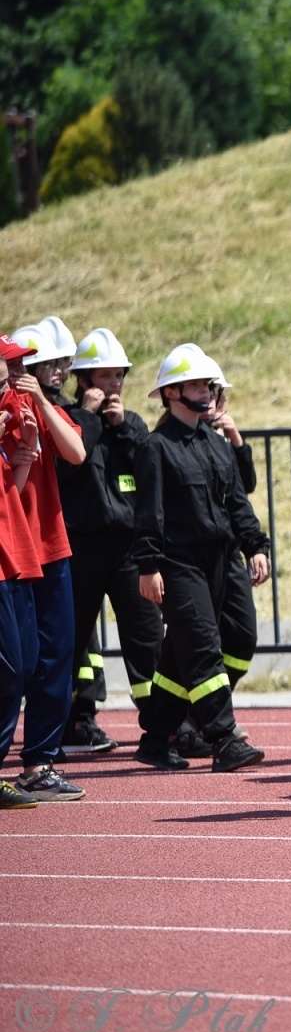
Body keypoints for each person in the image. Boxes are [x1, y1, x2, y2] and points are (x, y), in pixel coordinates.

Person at [131, 344, 270, 773]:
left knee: (234, 639)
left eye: (206, 384)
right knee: (202, 647)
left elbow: (236, 503)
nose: (205, 391)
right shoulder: (156, 447)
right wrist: (149, 565)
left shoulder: (215, 442)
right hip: (179, 562)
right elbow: (148, 513)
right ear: (171, 394)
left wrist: (256, 546)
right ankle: (222, 737)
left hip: (223, 557)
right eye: (194, 384)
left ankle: (157, 737)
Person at [58, 327, 164, 754]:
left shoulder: (132, 425)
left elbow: (150, 471)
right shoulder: (68, 420)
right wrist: (86, 418)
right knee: (73, 639)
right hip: (80, 547)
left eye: (119, 376)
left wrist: (122, 430)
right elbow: (66, 469)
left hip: (126, 549)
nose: (114, 385)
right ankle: (73, 723)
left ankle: (160, 726)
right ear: (83, 381)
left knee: (145, 636)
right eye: (105, 377)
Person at [0, 318, 88, 801]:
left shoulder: (40, 404)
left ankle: (39, 762)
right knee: (19, 662)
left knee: (55, 658)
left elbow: (76, 452)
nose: (46, 371)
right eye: (26, 363)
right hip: (13, 552)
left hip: (49, 546)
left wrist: (42, 404)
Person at [0, 333, 46, 808]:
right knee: (9, 667)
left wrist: (25, 450)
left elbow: (10, 488)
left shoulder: (12, 410)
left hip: (13, 557)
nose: (16, 371)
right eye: (8, 363)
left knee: (26, 663)